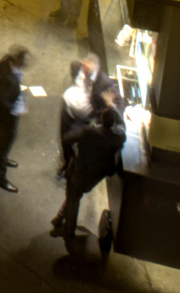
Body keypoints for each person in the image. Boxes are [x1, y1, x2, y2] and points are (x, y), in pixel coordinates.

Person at [54, 78, 126, 248]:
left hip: (80, 170)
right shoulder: (118, 137)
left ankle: (68, 230)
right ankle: (59, 217)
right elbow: (122, 123)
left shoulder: (89, 133)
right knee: (75, 194)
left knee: (73, 197)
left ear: (100, 119)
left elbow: (66, 139)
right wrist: (113, 107)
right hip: (95, 175)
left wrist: (71, 156)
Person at [0, 47, 30, 191]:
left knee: (0, 135)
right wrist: (13, 108)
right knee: (5, 143)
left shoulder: (10, 69)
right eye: (25, 59)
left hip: (5, 114)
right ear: (18, 60)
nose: (28, 62)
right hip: (9, 115)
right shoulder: (9, 77)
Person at [55, 53, 99, 187]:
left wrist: (93, 115)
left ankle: (73, 169)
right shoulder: (78, 68)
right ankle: (67, 163)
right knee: (64, 140)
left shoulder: (98, 83)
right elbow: (75, 65)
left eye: (86, 66)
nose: (82, 68)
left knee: (75, 142)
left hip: (81, 119)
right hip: (67, 112)